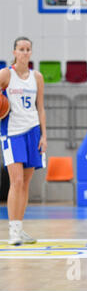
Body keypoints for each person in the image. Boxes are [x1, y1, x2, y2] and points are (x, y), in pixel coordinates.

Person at [0, 37, 47, 245]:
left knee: (26, 184)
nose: (25, 52)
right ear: (14, 52)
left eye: (28, 49)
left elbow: (41, 107)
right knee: (16, 181)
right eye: (21, 49)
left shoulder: (37, 77)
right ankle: (12, 230)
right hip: (12, 133)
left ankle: (19, 228)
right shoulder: (5, 74)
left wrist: (44, 135)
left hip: (33, 131)